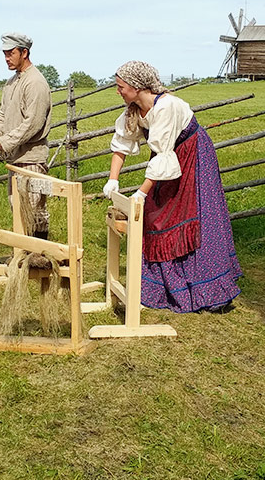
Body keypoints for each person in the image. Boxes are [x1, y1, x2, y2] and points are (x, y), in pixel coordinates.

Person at [102, 60, 242, 313]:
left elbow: (162, 155)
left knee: (195, 217)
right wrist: (113, 180)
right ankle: (164, 285)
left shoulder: (166, 107)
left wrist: (141, 194)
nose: (118, 91)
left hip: (193, 156)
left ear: (136, 86)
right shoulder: (133, 110)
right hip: (167, 159)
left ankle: (208, 291)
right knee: (160, 218)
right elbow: (121, 145)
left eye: (121, 86)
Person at [0, 33, 51, 242]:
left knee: (33, 208)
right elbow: (3, 113)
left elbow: (33, 124)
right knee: (17, 205)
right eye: (5, 53)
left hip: (31, 157)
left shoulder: (35, 82)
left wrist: (4, 142)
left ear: (24, 52)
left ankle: (39, 254)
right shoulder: (12, 82)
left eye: (11, 53)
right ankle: (22, 252)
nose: (7, 58)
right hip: (16, 156)